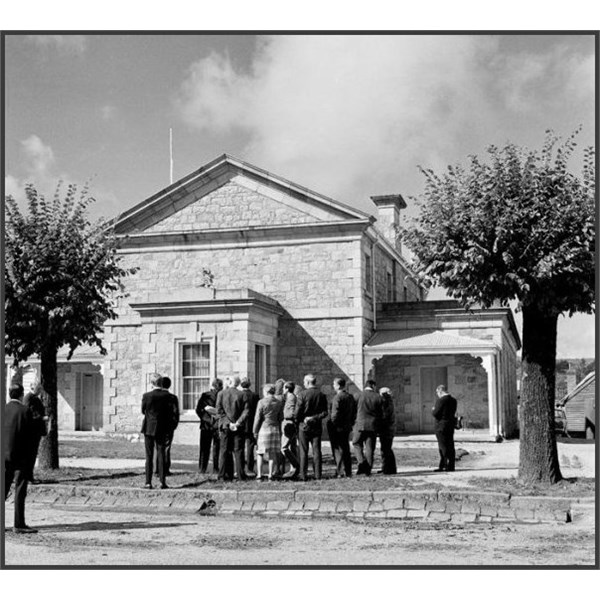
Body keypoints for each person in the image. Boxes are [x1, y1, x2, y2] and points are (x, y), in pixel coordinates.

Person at [4, 383, 37, 533]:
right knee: (19, 490)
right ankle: (18, 523)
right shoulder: (25, 411)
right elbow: (32, 436)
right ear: (21, 394)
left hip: (4, 456)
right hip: (20, 457)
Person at [141, 373, 173, 489]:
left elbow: (143, 410)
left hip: (149, 426)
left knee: (149, 455)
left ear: (152, 383)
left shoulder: (147, 396)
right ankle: (162, 481)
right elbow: (170, 412)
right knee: (161, 453)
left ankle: (148, 482)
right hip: (162, 427)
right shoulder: (168, 396)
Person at [294, 373, 328, 481]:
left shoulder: (302, 394)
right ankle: (318, 474)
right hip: (316, 425)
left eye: (304, 381)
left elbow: (297, 412)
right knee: (316, 451)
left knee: (303, 451)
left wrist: (300, 419)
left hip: (303, 426)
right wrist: (314, 417)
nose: (303, 383)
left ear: (308, 382)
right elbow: (325, 412)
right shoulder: (321, 395)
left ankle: (303, 475)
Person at [216, 375, 248, 481]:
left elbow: (219, 410)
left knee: (224, 451)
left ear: (230, 382)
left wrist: (228, 423)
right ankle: (240, 475)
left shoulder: (221, 394)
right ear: (238, 383)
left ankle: (222, 475)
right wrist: (238, 422)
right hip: (238, 426)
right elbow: (246, 411)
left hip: (225, 426)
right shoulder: (242, 394)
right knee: (238, 451)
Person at [253, 383, 284, 480]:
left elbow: (258, 418)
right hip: (274, 428)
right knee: (272, 453)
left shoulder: (261, 402)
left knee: (260, 453)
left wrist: (255, 430)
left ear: (266, 391)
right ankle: (270, 474)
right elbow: (281, 417)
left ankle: (259, 474)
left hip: (264, 427)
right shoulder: (278, 402)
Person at [327, 377, 356, 478]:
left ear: (338, 385)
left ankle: (340, 471)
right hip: (347, 426)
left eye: (334, 384)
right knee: (345, 449)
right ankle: (348, 470)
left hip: (337, 427)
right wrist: (350, 423)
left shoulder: (337, 397)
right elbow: (354, 413)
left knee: (337, 450)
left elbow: (335, 414)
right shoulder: (350, 397)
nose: (333, 386)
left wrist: (334, 424)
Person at [352, 379, 382, 476]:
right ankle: (368, 469)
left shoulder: (358, 395)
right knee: (370, 448)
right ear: (373, 386)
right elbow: (381, 413)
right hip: (372, 425)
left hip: (359, 424)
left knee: (356, 444)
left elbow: (353, 410)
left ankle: (361, 464)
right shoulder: (378, 397)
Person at [195, 378, 222, 474]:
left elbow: (198, 410)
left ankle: (206, 468)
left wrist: (207, 419)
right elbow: (199, 409)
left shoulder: (209, 395)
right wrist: (210, 419)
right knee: (213, 448)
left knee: (209, 448)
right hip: (212, 424)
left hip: (210, 424)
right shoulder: (206, 396)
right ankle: (211, 468)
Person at [23, 382, 47, 484]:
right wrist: (41, 418)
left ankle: (29, 476)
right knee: (30, 455)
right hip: (31, 432)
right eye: (39, 388)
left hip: (36, 431)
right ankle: (27, 477)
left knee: (32, 455)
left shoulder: (35, 398)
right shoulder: (28, 398)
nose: (40, 390)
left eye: (41, 388)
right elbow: (28, 414)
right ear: (33, 387)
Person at [432, 384, 458, 472]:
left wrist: (433, 409)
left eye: (437, 392)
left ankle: (444, 465)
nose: (437, 394)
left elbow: (435, 413)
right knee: (450, 445)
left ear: (440, 391)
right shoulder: (453, 400)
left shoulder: (441, 400)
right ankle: (451, 465)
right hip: (450, 425)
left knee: (442, 446)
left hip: (441, 425)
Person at [158, 376, 179, 476]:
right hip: (168, 425)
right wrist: (174, 425)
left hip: (158, 425)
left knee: (157, 447)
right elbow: (176, 413)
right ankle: (165, 469)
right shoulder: (172, 397)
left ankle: (157, 469)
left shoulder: (156, 396)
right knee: (166, 447)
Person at [240, 377, 260, 477]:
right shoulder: (255, 395)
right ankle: (250, 468)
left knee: (240, 447)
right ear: (250, 384)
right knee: (250, 447)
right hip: (251, 423)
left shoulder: (239, 395)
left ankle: (240, 468)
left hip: (241, 424)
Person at [281, 380, 300, 479]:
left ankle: (296, 465)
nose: (282, 390)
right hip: (288, 424)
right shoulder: (289, 397)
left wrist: (283, 415)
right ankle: (293, 469)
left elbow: (292, 412)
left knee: (284, 448)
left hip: (289, 423)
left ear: (287, 389)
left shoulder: (291, 397)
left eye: (283, 388)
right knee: (292, 447)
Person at [378, 387, 397, 475]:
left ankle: (389, 468)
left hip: (386, 428)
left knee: (386, 449)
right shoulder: (390, 401)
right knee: (386, 448)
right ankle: (386, 467)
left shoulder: (386, 401)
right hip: (389, 428)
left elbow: (385, 415)